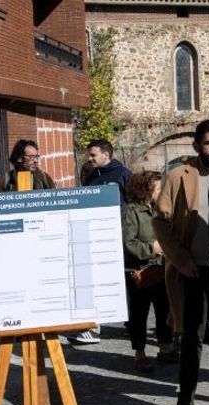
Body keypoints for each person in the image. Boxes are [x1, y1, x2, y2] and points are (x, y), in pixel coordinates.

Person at [152, 119, 209, 405]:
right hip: (194, 269)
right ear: (197, 145)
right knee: (191, 338)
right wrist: (180, 259)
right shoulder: (178, 176)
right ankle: (185, 402)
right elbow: (160, 222)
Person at [69, 139, 133, 345]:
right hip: (96, 237)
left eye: (93, 155)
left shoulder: (123, 175)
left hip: (120, 237)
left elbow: (134, 204)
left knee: (125, 282)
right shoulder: (91, 176)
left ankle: (132, 324)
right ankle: (92, 329)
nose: (89, 159)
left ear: (106, 154)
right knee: (96, 282)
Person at [122, 171, 176, 373]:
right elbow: (128, 242)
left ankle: (166, 347)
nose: (162, 191)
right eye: (158, 188)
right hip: (140, 272)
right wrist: (150, 248)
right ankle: (139, 353)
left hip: (161, 269)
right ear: (145, 190)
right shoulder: (131, 211)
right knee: (139, 315)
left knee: (164, 310)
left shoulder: (159, 209)